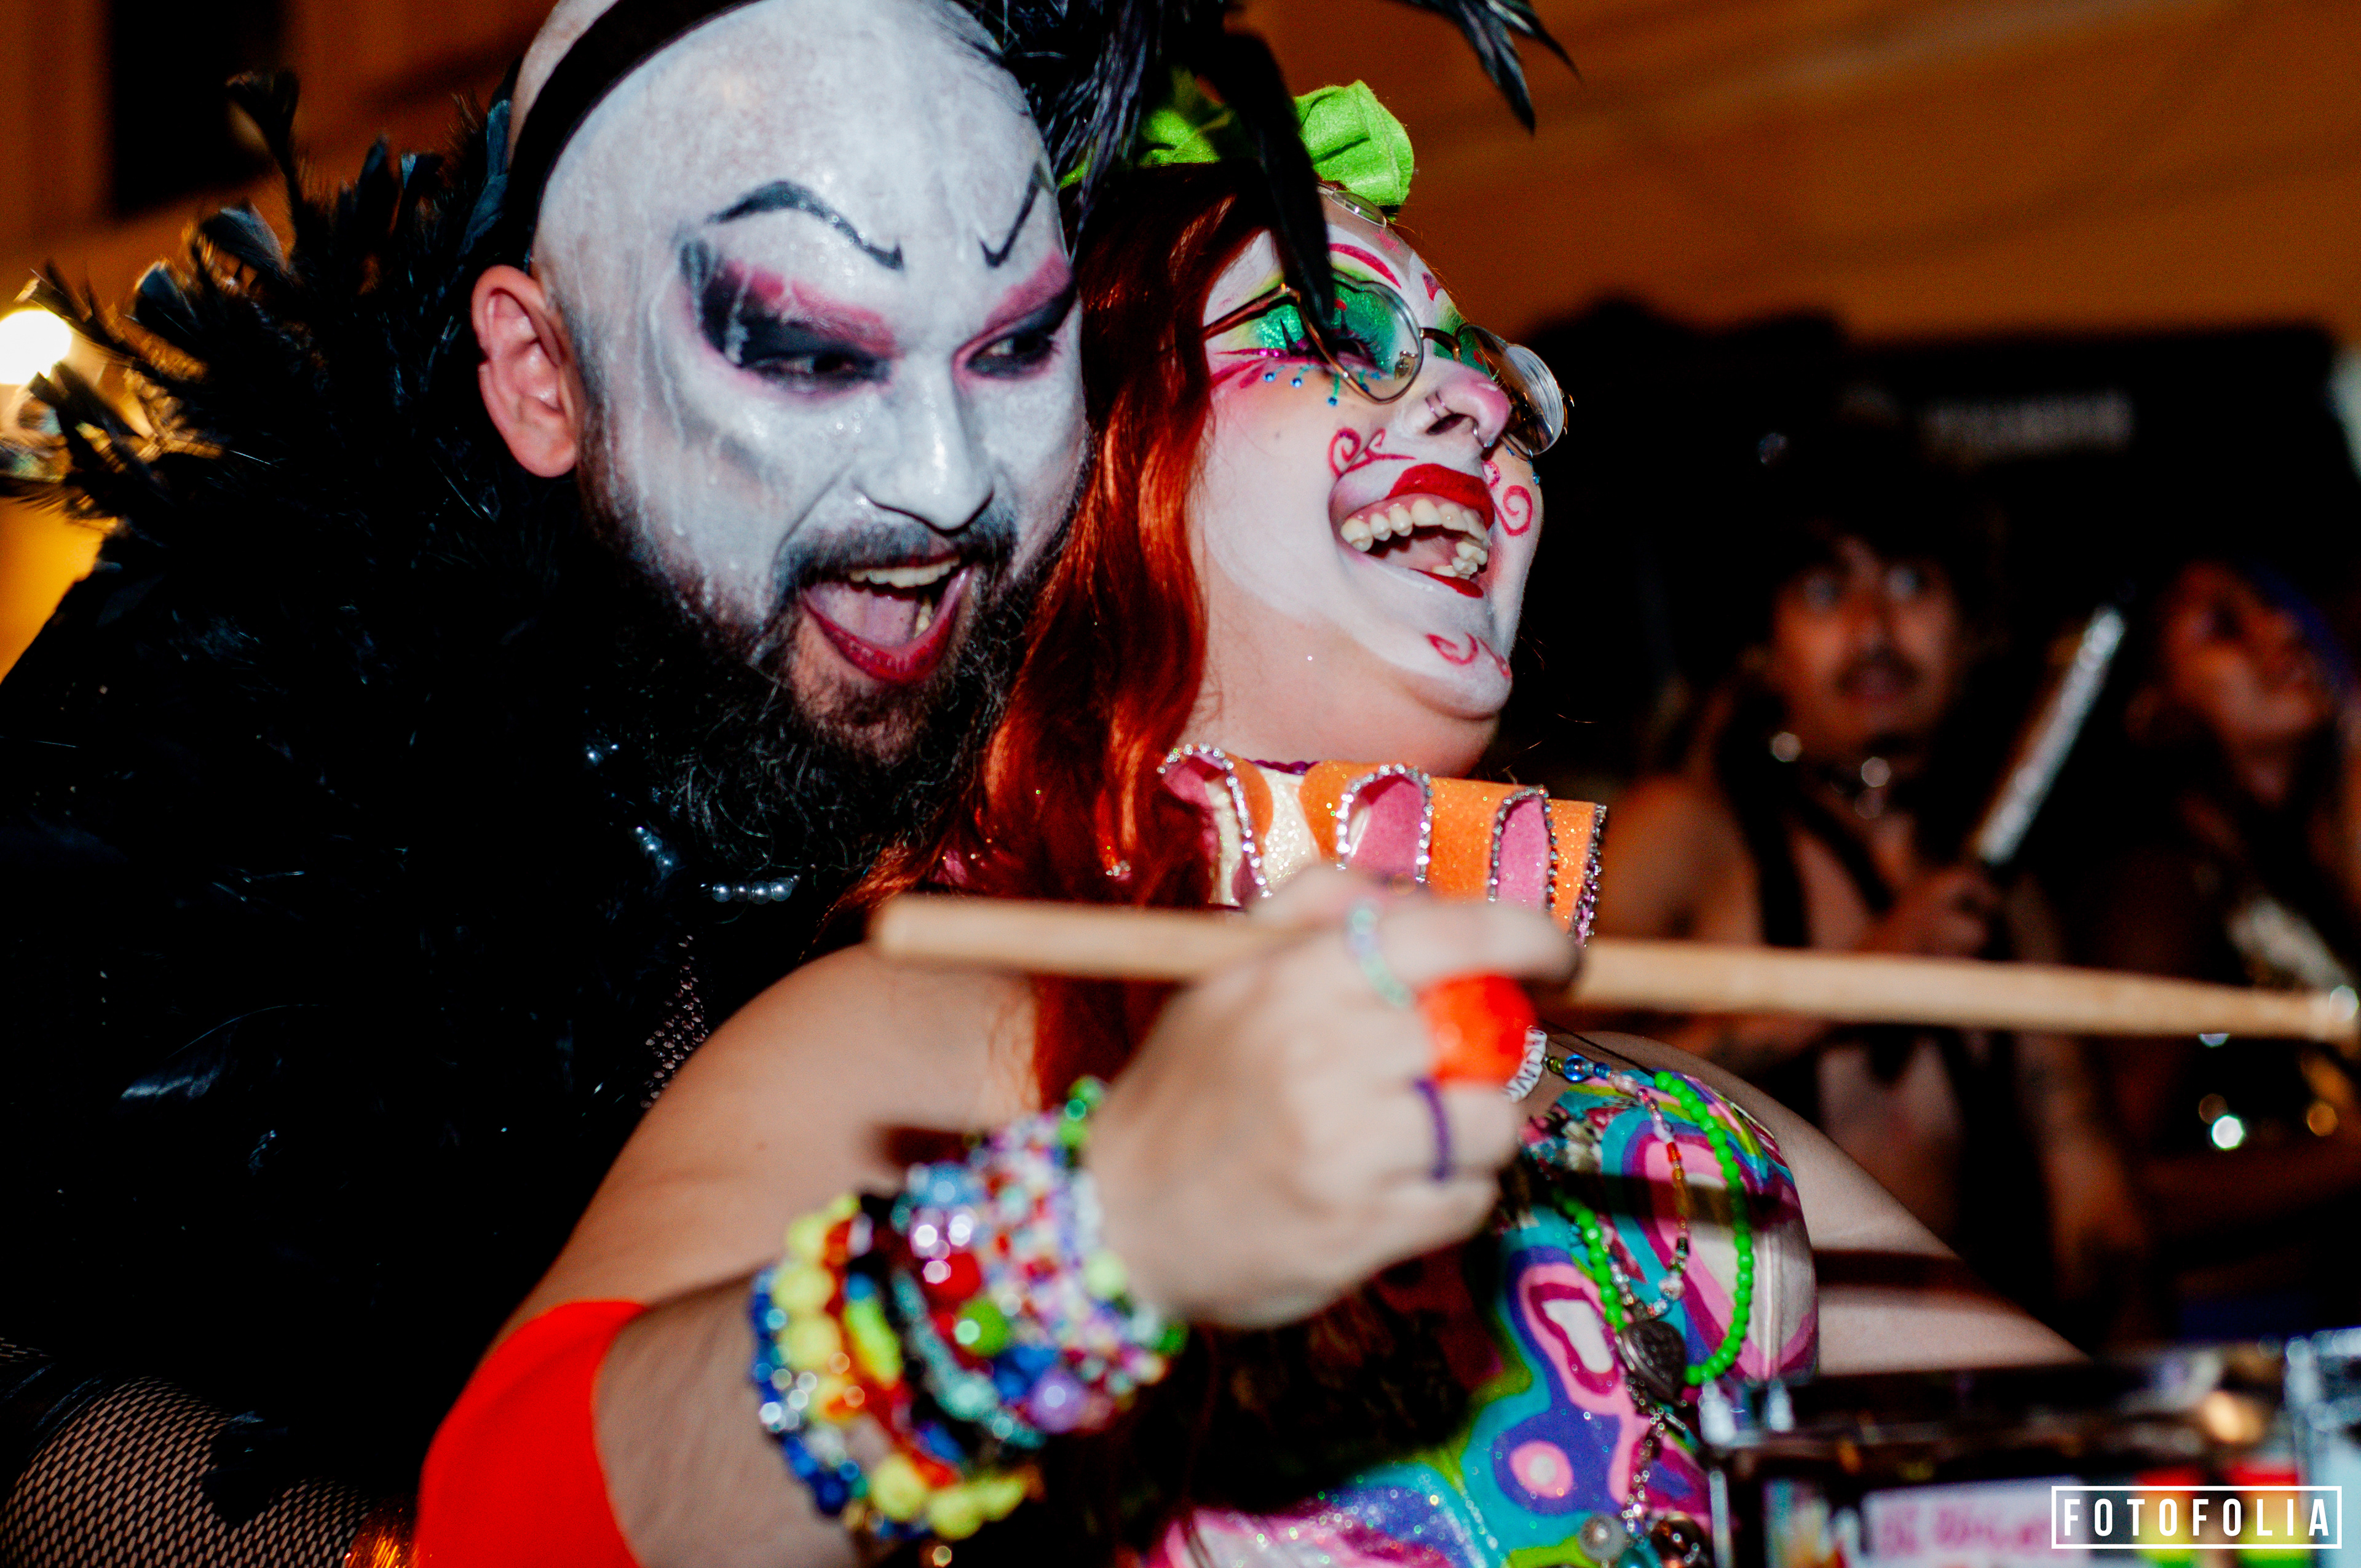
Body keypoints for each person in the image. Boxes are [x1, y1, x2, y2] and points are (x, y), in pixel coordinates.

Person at [0, 1, 1562, 1561]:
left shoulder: (1042, 675)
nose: (947, 480)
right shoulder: (259, 718)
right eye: (809, 350)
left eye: (1014, 348)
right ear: (542, 377)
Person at [420, 111, 2069, 1568]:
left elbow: (2123, 1505)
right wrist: (1102, 1231)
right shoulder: (927, 1043)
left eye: (1489, 375)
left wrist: (2225, 1503)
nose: (1474, 410)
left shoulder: (1666, 1143)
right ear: (1094, 469)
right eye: (1329, 333)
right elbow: (498, 1530)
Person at [1593, 428, 2142, 1340]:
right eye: (1824, 591)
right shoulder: (1684, 833)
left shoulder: (2007, 898)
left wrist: (2133, 1401)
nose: (1874, 629)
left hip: (1965, 1380)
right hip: (1734, 1376)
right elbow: (1544, 1080)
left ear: (1975, 632)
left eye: (1913, 583)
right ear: (1765, 645)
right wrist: (1864, 977)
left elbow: (2097, 1208)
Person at [2047, 557, 2361, 1336]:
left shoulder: (2286, 873)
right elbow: (2120, 1191)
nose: (2282, 627)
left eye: (2274, 604)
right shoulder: (2155, 892)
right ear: (2152, 713)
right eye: (2223, 627)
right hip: (2230, 1349)